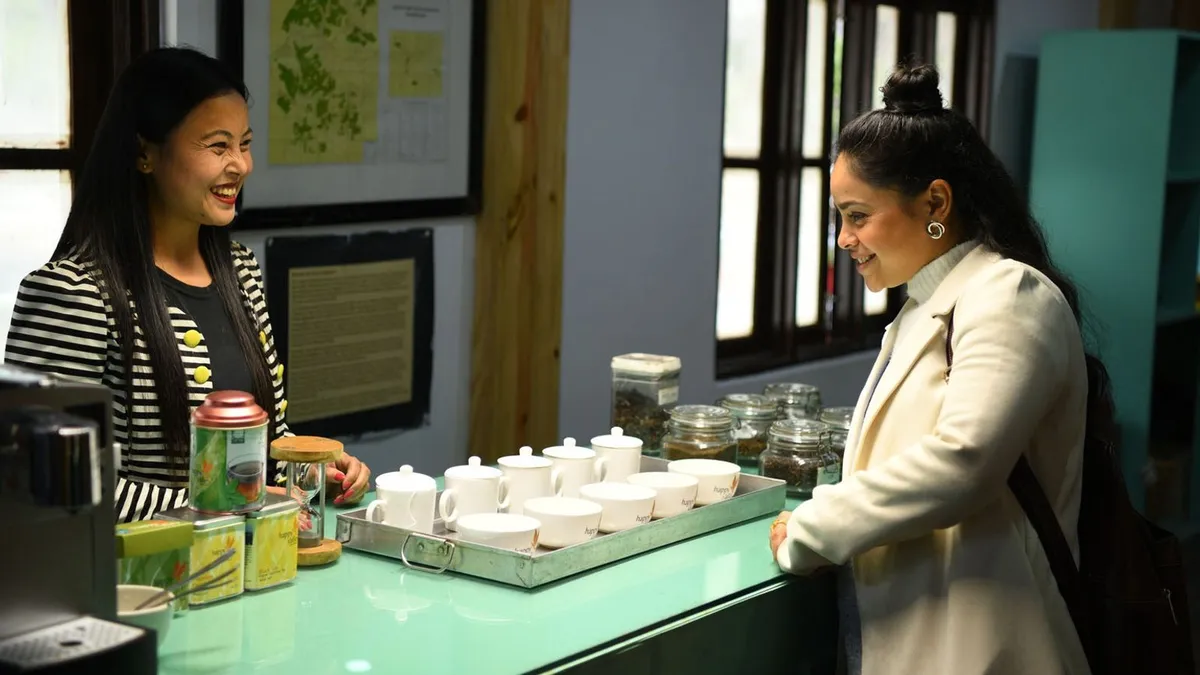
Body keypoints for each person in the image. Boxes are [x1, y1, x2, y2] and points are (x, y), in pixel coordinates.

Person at [769, 61, 1099, 675]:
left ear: (936, 202)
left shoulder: (1008, 295)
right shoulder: (925, 305)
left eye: (857, 215)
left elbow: (963, 463)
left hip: (988, 645)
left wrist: (816, 523)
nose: (843, 238)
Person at [3, 47, 370, 522]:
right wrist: (234, 508)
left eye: (245, 143)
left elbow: (267, 446)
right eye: (217, 146)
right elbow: (44, 481)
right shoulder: (73, 293)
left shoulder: (241, 270)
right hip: (139, 586)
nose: (240, 165)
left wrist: (312, 471)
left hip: (246, 572)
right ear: (144, 154)